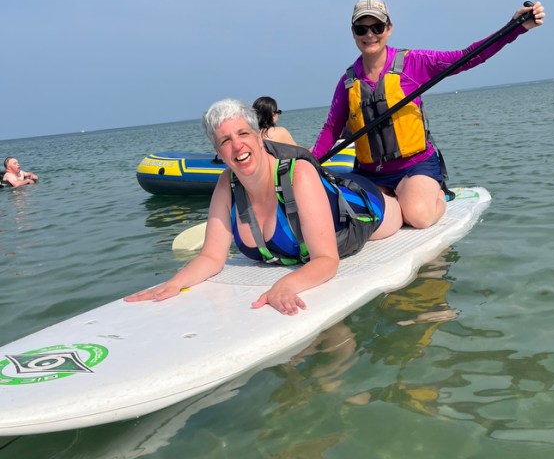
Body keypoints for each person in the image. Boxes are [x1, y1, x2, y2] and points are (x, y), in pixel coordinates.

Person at [126, 99, 401, 315]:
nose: (237, 145)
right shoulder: (227, 185)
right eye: (225, 141)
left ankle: (411, 188)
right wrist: (176, 282)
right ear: (219, 152)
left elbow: (327, 261)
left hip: (363, 207)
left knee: (415, 214)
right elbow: (211, 257)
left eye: (243, 133)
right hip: (330, 198)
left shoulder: (299, 174)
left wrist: (284, 286)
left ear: (259, 137)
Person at [312, 0, 546, 229]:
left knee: (418, 217)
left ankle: (437, 194)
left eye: (377, 27)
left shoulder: (414, 63)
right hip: (369, 172)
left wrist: (515, 28)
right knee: (370, 223)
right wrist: (310, 164)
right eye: (361, 29)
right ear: (353, 33)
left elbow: (467, 57)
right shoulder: (348, 82)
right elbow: (332, 128)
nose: (370, 34)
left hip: (415, 166)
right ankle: (394, 202)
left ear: (389, 28)